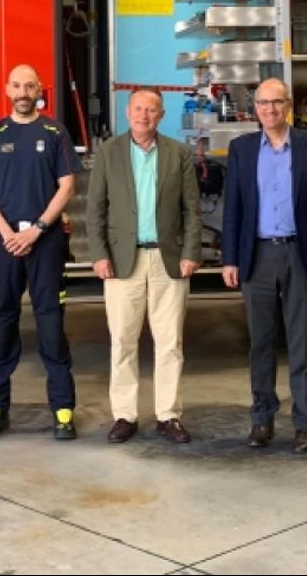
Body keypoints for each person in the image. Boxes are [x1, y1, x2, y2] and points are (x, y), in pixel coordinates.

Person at [222, 78, 307, 454]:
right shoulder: (241, 149)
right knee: (261, 343)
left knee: (302, 343)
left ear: (288, 105)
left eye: (277, 103)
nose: (270, 110)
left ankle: (304, 424)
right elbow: (233, 209)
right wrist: (230, 258)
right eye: (262, 103)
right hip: (256, 256)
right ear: (254, 108)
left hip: (298, 254)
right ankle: (262, 418)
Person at [0, 64, 83, 440]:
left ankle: (63, 411)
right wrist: (6, 233)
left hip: (45, 242)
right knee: (1, 325)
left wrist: (36, 230)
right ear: (7, 90)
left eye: (30, 86)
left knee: (51, 324)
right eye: (17, 85)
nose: (23, 91)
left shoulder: (54, 132)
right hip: (5, 244)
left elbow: (66, 186)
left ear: (39, 90)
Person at [88, 89, 202, 444]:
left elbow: (191, 209)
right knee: (122, 340)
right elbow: (96, 210)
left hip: (168, 260)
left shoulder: (178, 153)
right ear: (128, 112)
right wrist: (99, 254)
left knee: (170, 342)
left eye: (151, 110)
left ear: (161, 115)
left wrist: (190, 251)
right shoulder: (109, 152)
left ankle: (168, 415)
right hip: (124, 260)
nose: (144, 115)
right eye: (138, 109)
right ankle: (124, 414)